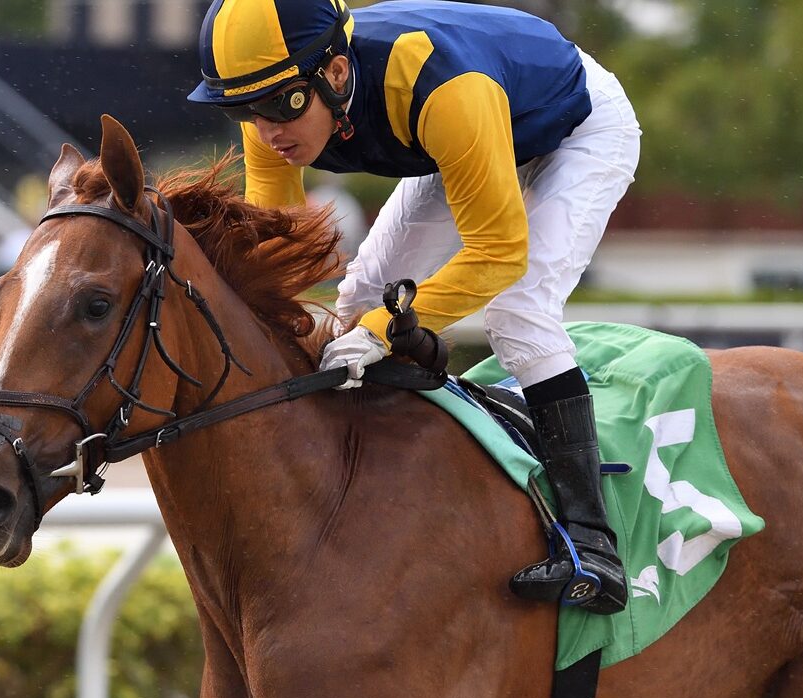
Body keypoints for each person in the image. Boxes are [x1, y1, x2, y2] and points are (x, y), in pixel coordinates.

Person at [187, 0, 640, 615]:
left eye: (281, 106)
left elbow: (499, 254)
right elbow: (278, 252)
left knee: (519, 314)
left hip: (573, 124)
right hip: (462, 129)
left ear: (338, 73)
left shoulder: (446, 92)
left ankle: (592, 544)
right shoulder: (275, 92)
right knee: (358, 301)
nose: (267, 132)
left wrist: (388, 329)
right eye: (243, 110)